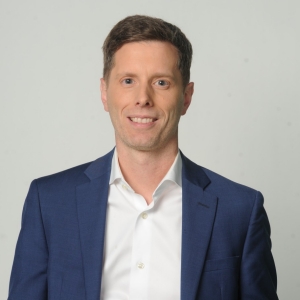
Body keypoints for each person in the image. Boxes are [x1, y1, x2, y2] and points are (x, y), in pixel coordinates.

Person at [8, 15, 278, 300]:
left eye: (161, 82)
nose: (143, 98)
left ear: (186, 97)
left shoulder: (240, 211)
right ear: (104, 92)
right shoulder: (49, 202)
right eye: (128, 81)